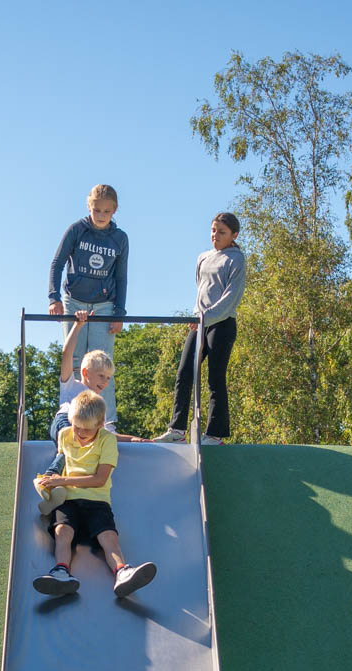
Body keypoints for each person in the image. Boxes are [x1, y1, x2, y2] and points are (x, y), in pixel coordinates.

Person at [32, 390, 157, 600]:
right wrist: (51, 481)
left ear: (100, 424)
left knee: (108, 536)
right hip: (69, 499)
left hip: (96, 499)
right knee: (62, 532)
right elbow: (61, 460)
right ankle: (61, 572)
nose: (79, 433)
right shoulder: (65, 434)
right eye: (76, 427)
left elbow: (99, 479)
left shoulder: (107, 440)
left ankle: (122, 571)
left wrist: (62, 481)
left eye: (86, 430)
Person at [37, 311, 144, 514]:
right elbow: (67, 354)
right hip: (64, 423)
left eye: (108, 378)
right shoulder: (72, 386)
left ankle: (55, 493)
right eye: (101, 376)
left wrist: (134, 439)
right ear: (85, 373)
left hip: (82, 433)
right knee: (72, 435)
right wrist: (78, 325)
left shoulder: (98, 404)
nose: (104, 382)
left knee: (84, 442)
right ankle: (48, 477)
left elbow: (104, 434)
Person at [156, 213, 245, 445]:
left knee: (215, 378)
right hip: (200, 324)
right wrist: (199, 315)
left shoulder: (236, 259)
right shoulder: (203, 257)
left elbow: (230, 298)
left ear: (233, 235)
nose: (215, 235)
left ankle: (215, 434)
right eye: (213, 230)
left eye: (222, 232)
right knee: (184, 372)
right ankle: (177, 430)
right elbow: (201, 289)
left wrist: (207, 316)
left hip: (222, 324)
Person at [48, 184, 128, 363]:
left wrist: (119, 314)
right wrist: (54, 298)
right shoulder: (76, 230)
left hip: (104, 306)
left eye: (106, 211)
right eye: (96, 210)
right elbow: (57, 263)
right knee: (74, 360)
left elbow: (121, 278)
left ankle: (100, 393)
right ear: (89, 207)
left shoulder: (120, 238)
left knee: (101, 362)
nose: (101, 216)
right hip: (74, 302)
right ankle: (75, 393)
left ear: (114, 210)